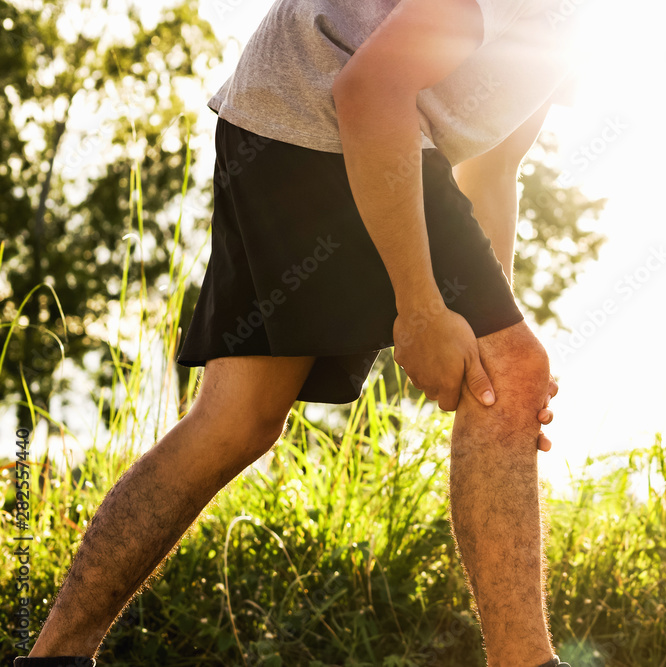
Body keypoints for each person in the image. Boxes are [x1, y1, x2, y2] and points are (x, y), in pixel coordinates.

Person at [16, 0, 580, 664]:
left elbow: (493, 168)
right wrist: (423, 312)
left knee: (237, 420)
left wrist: (494, 332)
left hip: (277, 116)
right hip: (328, 112)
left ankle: (53, 656)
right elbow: (370, 90)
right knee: (510, 375)